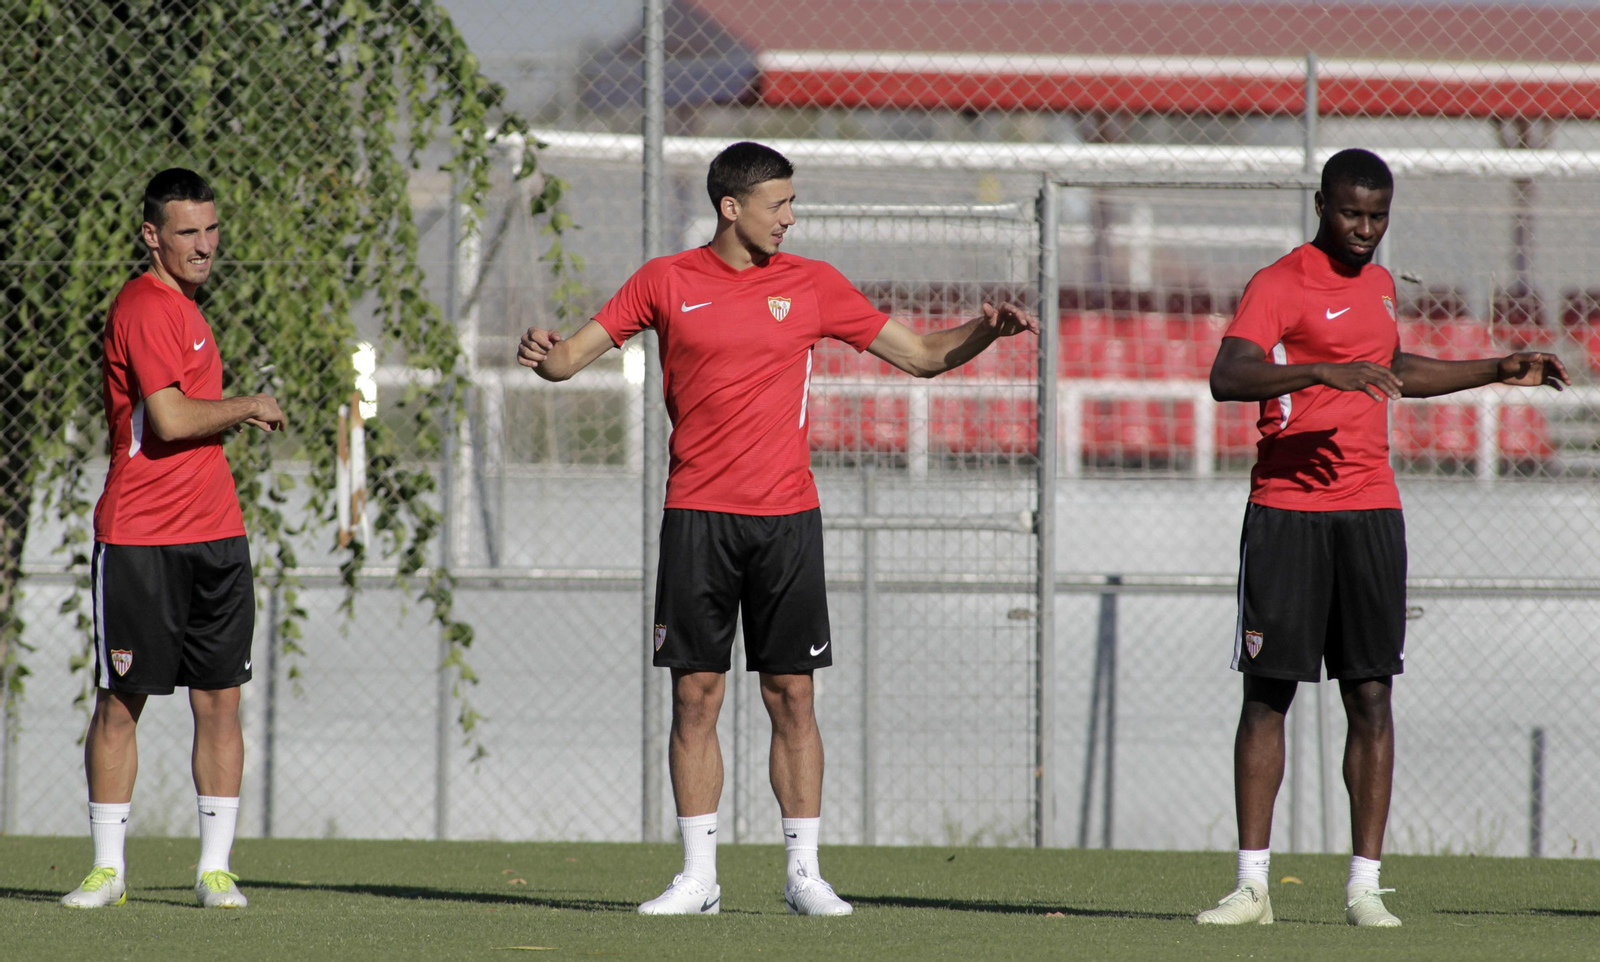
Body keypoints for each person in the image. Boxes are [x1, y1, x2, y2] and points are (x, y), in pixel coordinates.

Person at [517, 141, 1037, 915]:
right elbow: (569, 362)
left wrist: (984, 332)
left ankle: (804, 876)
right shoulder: (664, 281)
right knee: (696, 695)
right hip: (697, 516)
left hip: (787, 519)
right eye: (778, 204)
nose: (790, 217)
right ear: (732, 207)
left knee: (792, 693)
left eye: (792, 203)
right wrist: (544, 356)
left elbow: (923, 357)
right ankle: (699, 879)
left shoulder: (814, 284)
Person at [1197, 148, 1568, 927]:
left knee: (1370, 696)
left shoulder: (1380, 285)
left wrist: (1497, 368)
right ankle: (1252, 886)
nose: (1364, 230)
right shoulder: (1279, 283)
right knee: (1268, 696)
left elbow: (1391, 367)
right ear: (1321, 207)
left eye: (1378, 216)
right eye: (1351, 214)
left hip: (1371, 510)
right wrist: (1316, 373)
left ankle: (1364, 887)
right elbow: (1228, 376)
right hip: (1287, 511)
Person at [61, 169, 287, 910]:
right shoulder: (144, 305)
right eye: (187, 231)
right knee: (121, 701)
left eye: (212, 229)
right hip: (140, 539)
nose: (205, 244)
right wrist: (247, 404)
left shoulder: (188, 308)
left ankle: (215, 870)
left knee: (220, 702)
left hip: (217, 534)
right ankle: (107, 871)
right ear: (152, 236)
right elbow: (169, 419)